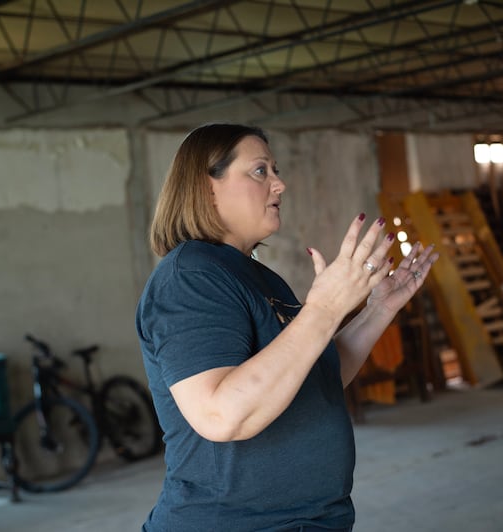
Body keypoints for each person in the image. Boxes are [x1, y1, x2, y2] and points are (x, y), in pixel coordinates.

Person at [135, 123, 438, 532]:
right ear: (207, 188)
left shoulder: (259, 277)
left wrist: (377, 310)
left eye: (274, 171)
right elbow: (222, 416)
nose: (280, 184)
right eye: (261, 171)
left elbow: (311, 377)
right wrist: (324, 310)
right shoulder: (191, 275)